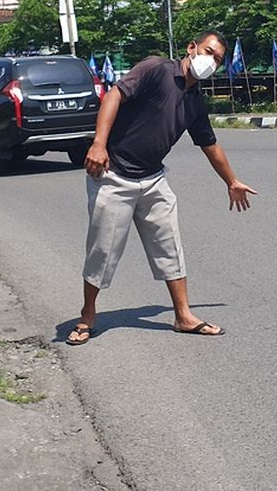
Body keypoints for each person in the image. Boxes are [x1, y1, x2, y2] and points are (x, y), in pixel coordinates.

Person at [66, 31, 257, 346]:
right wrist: (99, 144)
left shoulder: (194, 102)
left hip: (153, 179)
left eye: (218, 59)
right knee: (103, 249)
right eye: (208, 51)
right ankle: (87, 315)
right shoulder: (156, 69)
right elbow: (114, 95)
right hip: (114, 174)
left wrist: (231, 181)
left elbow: (209, 144)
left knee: (170, 246)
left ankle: (183, 316)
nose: (211, 61)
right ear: (191, 48)